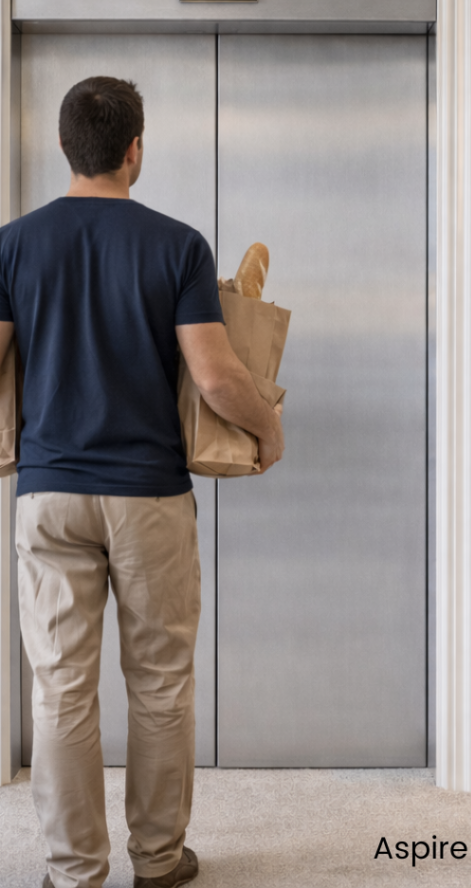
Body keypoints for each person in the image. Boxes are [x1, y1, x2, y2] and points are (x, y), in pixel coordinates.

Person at [0, 76, 284, 888]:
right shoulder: (177, 245)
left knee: (61, 689)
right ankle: (158, 861)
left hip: (49, 494)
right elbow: (218, 376)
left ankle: (74, 870)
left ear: (64, 148)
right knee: (159, 685)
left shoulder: (12, 245)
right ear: (135, 151)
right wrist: (270, 427)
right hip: (149, 496)